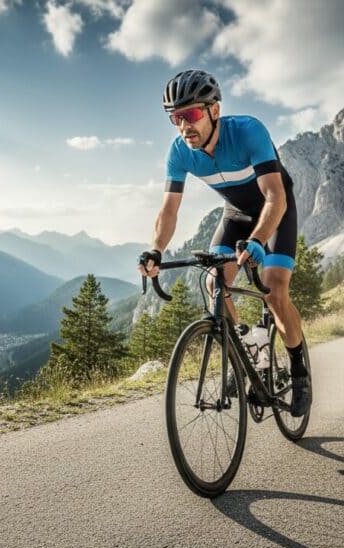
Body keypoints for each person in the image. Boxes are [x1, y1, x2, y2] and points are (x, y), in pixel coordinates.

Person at [137, 69, 310, 416]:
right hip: (236, 214)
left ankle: (299, 372)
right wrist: (156, 249)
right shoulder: (179, 151)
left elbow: (275, 196)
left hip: (275, 209)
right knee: (215, 283)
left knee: (275, 291)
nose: (183, 126)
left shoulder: (247, 131)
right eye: (175, 118)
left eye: (191, 114)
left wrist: (258, 240)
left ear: (214, 110)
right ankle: (246, 348)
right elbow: (168, 210)